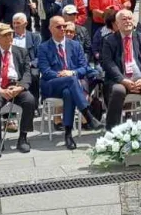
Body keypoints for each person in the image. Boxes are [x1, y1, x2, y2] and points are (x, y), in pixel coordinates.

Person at [37, 16, 103, 150]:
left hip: (70, 85)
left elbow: (84, 67)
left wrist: (71, 73)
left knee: (69, 92)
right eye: (59, 27)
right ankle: (88, 115)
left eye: (64, 27)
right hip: (51, 84)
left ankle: (68, 134)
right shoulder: (43, 47)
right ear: (50, 29)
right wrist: (64, 75)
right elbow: (45, 70)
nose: (62, 29)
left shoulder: (75, 45)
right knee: (71, 80)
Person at [0, 23, 36, 156]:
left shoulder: (21, 51)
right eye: (5, 35)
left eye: (10, 34)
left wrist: (20, 87)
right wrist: (0, 90)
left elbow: (28, 73)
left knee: (30, 100)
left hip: (16, 85)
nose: (9, 37)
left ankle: (23, 137)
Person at [99, 10, 141, 128]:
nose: (128, 21)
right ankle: (112, 129)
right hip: (121, 79)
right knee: (118, 91)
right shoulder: (109, 40)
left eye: (130, 18)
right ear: (117, 23)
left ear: (134, 22)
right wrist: (122, 80)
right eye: (124, 19)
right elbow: (108, 63)